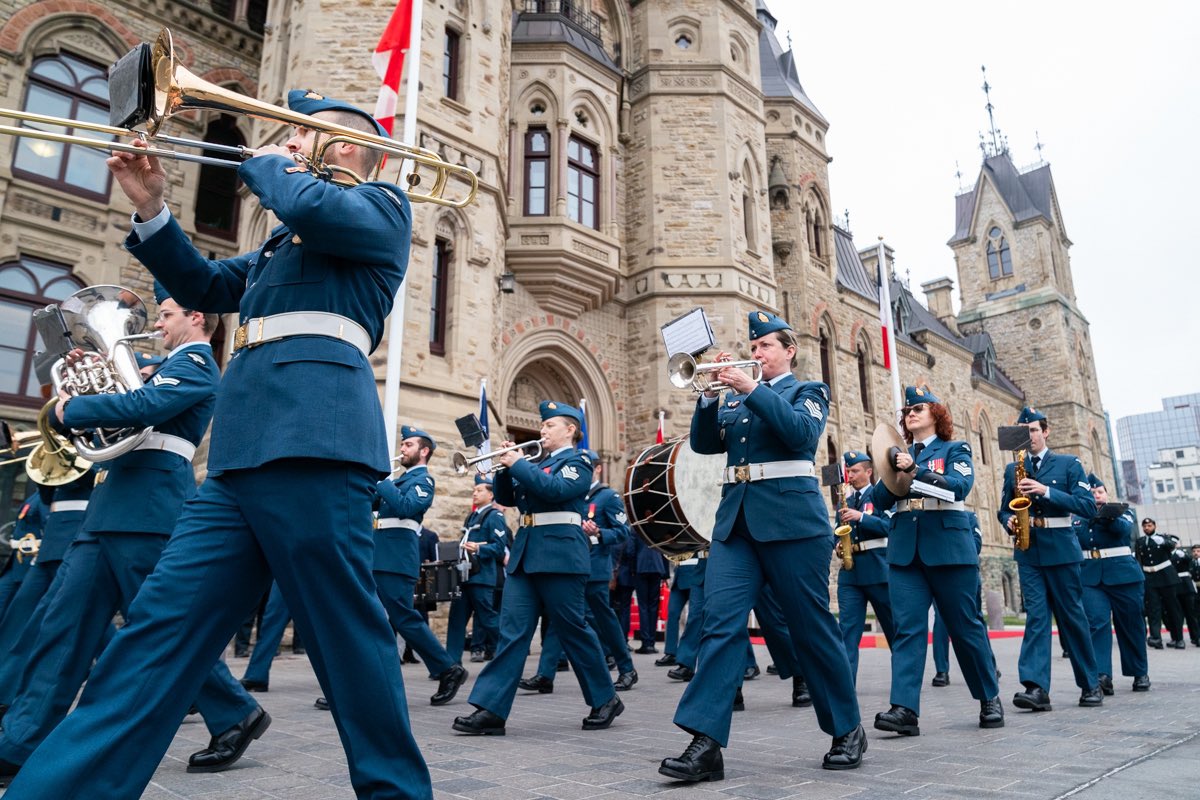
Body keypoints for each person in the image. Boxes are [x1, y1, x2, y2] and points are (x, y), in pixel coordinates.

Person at [1, 90, 433, 799]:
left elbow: (314, 207)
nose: (287, 146)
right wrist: (151, 207)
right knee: (153, 637)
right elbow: (201, 283)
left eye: (302, 137)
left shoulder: (382, 208)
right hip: (237, 463)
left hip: (314, 447)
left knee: (349, 647)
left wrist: (271, 167)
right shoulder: (278, 242)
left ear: (348, 149)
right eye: (289, 141)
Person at [0, 286, 266, 784]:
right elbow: (128, 400)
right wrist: (91, 376)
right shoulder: (160, 365)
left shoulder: (197, 365)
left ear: (196, 316)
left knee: (162, 628)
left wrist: (70, 410)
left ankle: (234, 712)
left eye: (165, 314)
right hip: (110, 505)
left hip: (150, 510)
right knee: (62, 625)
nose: (157, 323)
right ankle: (19, 741)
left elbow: (143, 407)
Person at [659, 311, 864, 783]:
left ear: (789, 350)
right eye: (753, 348)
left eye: (766, 346)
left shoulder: (807, 392)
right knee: (719, 626)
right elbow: (706, 445)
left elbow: (801, 435)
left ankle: (847, 728)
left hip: (793, 524)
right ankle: (705, 743)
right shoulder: (735, 398)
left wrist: (751, 389)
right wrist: (709, 399)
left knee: (811, 629)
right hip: (737, 524)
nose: (756, 354)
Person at [452, 401, 623, 735]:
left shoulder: (580, 461)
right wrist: (503, 469)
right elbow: (511, 498)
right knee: (512, 632)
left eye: (550, 425)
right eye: (542, 426)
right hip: (527, 554)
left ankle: (605, 698)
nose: (542, 430)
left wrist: (518, 464)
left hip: (561, 554)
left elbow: (556, 491)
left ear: (570, 429)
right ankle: (491, 708)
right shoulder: (536, 462)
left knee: (573, 629)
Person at [870, 385, 1002, 738]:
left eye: (919, 408)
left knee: (965, 626)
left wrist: (916, 470)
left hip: (947, 545)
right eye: (907, 410)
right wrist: (889, 469)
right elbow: (880, 498)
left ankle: (988, 696)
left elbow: (959, 487)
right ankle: (904, 709)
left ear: (936, 415)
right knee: (907, 630)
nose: (911, 413)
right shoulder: (896, 452)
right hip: (905, 550)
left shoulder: (954, 448)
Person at [999, 407, 1102, 712]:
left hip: (1061, 550)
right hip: (1028, 551)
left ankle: (1090, 683)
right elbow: (1004, 508)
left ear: (1045, 432)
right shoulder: (1012, 469)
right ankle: (1035, 688)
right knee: (1037, 618)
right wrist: (1007, 521)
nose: (1028, 436)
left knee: (1072, 617)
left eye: (1033, 430)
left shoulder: (1068, 464)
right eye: (1023, 431)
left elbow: (1087, 507)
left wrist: (1045, 491)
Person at [518, 451, 638, 693]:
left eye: (590, 467)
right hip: (566, 562)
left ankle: (627, 669)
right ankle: (545, 674)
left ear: (597, 469)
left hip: (594, 566)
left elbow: (623, 531)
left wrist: (599, 533)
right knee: (557, 619)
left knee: (604, 619)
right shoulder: (567, 491)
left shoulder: (606, 497)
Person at [367, 426, 468, 706]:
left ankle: (448, 668)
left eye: (408, 444)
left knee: (403, 618)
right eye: (403, 444)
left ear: (424, 451)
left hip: (396, 560)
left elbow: (404, 508)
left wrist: (383, 479)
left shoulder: (424, 480)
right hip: (378, 556)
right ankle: (361, 683)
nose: (402, 449)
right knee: (369, 618)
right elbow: (372, 503)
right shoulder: (399, 481)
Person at [1073, 475, 1150, 693]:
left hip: (1123, 575)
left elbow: (1122, 531)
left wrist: (1106, 516)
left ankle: (1139, 671)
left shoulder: (1123, 512)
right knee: (1096, 623)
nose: (1096, 495)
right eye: (1091, 492)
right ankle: (1102, 675)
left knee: (1130, 623)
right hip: (1090, 577)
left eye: (1099, 492)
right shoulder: (1078, 517)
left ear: (1106, 494)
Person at [834, 450, 896, 682]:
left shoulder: (882, 496)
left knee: (893, 629)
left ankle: (904, 680)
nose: (850, 475)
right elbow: (836, 532)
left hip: (878, 570)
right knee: (847, 631)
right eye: (848, 471)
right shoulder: (844, 500)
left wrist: (860, 517)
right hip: (851, 574)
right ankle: (845, 684)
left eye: (855, 470)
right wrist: (838, 545)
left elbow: (890, 526)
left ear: (869, 472)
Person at [445, 475, 508, 666]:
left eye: (480, 490)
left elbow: (499, 547)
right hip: (464, 576)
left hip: (481, 577)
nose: (474, 493)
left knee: (489, 619)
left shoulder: (495, 516)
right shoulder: (471, 516)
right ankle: (450, 665)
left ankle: (509, 651)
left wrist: (479, 548)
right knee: (456, 621)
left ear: (491, 494)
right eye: (474, 490)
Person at [929, 513, 998, 687]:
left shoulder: (969, 516)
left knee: (976, 619)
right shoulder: (932, 519)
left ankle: (990, 665)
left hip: (965, 573)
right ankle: (942, 670)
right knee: (941, 621)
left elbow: (976, 543)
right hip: (940, 573)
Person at [1136, 518, 1184, 648]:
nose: (1147, 528)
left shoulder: (1163, 538)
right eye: (1145, 526)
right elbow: (1139, 560)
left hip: (1166, 576)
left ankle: (1178, 638)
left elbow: (1172, 546)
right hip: (1150, 578)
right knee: (1153, 609)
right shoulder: (1140, 541)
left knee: (1172, 608)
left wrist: (1164, 541)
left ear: (1154, 526)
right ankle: (1156, 638)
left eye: (1149, 525)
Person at [632, 532, 669, 654]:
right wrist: (666, 573)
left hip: (641, 567)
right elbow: (665, 550)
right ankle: (651, 642)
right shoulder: (657, 528)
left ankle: (646, 642)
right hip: (657, 567)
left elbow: (631, 549)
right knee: (653, 607)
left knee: (643, 606)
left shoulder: (637, 528)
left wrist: (632, 569)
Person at [1169, 543, 1199, 647]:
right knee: (1175, 615)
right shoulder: (1165, 555)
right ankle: (1177, 638)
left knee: (1191, 614)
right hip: (1172, 587)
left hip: (1186, 587)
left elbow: (1192, 560)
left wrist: (1184, 555)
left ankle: (1196, 637)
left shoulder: (1181, 554)